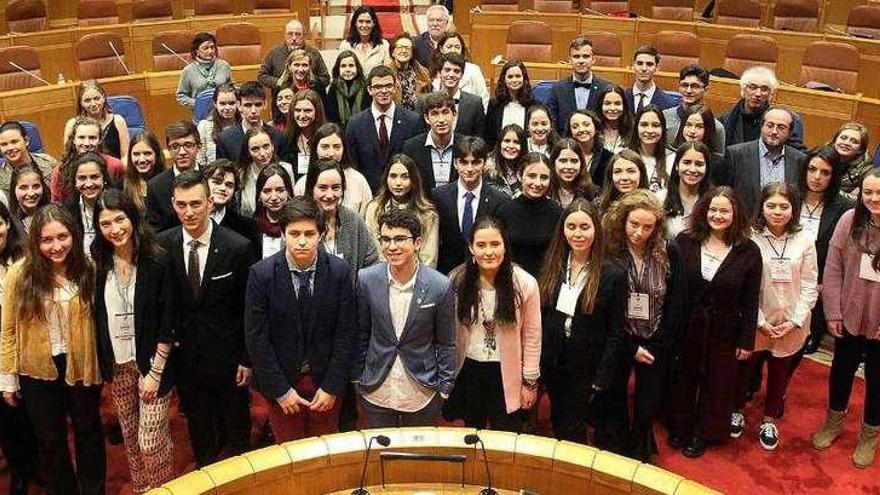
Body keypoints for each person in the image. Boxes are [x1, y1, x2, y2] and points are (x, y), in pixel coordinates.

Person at [0, 204, 105, 494]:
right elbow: (7, 329)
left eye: (63, 237)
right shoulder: (19, 274)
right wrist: (7, 377)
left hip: (81, 362)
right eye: (47, 240)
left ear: (74, 234)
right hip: (37, 370)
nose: (56, 246)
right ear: (35, 241)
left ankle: (94, 489)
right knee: (50, 439)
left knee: (88, 429)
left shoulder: (88, 267)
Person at [156, 170, 254, 468]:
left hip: (228, 357)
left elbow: (247, 309)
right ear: (173, 204)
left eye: (196, 204)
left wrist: (246, 359)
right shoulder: (162, 246)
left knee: (236, 426)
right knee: (199, 426)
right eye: (182, 204)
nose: (189, 212)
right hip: (186, 358)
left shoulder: (238, 247)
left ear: (210, 203)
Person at [245, 197, 357, 441]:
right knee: (290, 454)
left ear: (321, 234)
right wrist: (281, 391)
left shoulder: (339, 271)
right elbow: (257, 339)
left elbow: (346, 333)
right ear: (283, 234)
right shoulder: (261, 274)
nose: (302, 241)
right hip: (283, 381)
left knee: (323, 450)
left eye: (309, 233)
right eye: (294, 233)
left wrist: (331, 387)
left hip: (325, 380)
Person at [669, 186, 762, 458]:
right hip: (688, 323)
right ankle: (680, 425)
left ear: (736, 214)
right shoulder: (685, 240)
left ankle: (704, 432)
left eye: (724, 210)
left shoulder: (749, 250)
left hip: (726, 328)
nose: (717, 215)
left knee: (717, 382)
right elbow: (673, 286)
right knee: (684, 376)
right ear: (703, 211)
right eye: (713, 209)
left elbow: (751, 299)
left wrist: (747, 340)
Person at [92, 189, 176, 492]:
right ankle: (142, 488)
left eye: (119, 220)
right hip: (118, 365)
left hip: (152, 364)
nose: (114, 230)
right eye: (105, 224)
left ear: (132, 218)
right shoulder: (99, 263)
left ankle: (164, 489)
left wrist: (155, 373)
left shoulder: (156, 259)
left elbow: (169, 321)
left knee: (150, 441)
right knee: (130, 437)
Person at [731, 183, 817, 451]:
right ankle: (737, 410)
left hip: (792, 322)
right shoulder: (749, 236)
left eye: (784, 206)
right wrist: (758, 321)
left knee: (780, 373)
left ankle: (769, 419)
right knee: (744, 370)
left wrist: (795, 320)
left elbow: (810, 283)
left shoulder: (805, 238)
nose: (777, 212)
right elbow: (743, 285)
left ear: (794, 210)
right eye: (771, 206)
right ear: (761, 207)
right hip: (756, 320)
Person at [602, 190, 686, 461]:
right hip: (620, 340)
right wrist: (629, 347)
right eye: (634, 224)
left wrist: (659, 343)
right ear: (622, 220)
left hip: (656, 340)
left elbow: (677, 301)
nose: (639, 232)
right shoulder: (609, 250)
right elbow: (605, 308)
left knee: (646, 406)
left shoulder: (669, 249)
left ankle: (639, 452)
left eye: (647, 227)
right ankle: (616, 451)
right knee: (614, 400)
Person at [354, 208, 456, 427]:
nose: (392, 247)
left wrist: (445, 387)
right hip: (376, 387)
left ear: (417, 243)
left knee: (417, 457)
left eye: (400, 239)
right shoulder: (366, 279)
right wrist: (357, 376)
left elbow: (446, 342)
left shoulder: (440, 285)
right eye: (386, 239)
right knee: (380, 454)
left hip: (421, 389)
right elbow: (361, 332)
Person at [538, 199, 626, 448]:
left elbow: (616, 331)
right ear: (563, 230)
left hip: (587, 365)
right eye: (572, 226)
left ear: (596, 230)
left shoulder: (613, 273)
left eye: (585, 227)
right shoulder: (554, 265)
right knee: (558, 418)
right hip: (555, 360)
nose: (578, 234)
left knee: (573, 426)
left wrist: (602, 375)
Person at [441, 216, 540, 431]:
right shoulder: (457, 280)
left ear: (505, 246)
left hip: (506, 371)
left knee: (507, 438)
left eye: (495, 244)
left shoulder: (525, 283)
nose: (488, 252)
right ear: (471, 248)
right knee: (471, 434)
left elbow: (532, 337)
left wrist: (530, 382)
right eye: (481, 245)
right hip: (469, 367)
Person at [811, 169, 880, 468]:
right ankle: (834, 421)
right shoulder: (847, 220)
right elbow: (833, 267)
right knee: (841, 370)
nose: (874, 198)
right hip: (848, 315)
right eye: (869, 192)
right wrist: (833, 312)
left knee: (877, 379)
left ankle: (869, 434)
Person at [793, 146, 853, 356]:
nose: (817, 177)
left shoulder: (844, 207)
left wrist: (824, 285)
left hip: (819, 284)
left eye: (825, 172)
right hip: (783, 277)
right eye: (812, 169)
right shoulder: (789, 196)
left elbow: (843, 254)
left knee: (798, 347)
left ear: (834, 175)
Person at [0, 200, 37, 495]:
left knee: (33, 416)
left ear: (7, 224)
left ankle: (38, 467)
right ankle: (20, 471)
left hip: (27, 350)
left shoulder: (24, 259)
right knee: (6, 420)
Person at [432, 137, 508, 273]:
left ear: (484, 163)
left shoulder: (500, 200)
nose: (469, 168)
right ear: (455, 163)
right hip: (446, 273)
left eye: (476, 162)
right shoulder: (439, 196)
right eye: (463, 162)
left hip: (485, 273)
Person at [347, 65, 424, 192]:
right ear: (369, 90)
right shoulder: (355, 123)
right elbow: (353, 166)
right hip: (368, 195)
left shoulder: (413, 121)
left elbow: (417, 164)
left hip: (404, 195)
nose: (383, 91)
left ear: (395, 88)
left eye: (388, 86)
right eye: (377, 87)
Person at [720, 107, 806, 215]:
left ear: (789, 132)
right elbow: (724, 194)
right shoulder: (736, 155)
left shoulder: (800, 160)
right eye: (770, 125)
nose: (774, 131)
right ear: (761, 127)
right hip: (743, 226)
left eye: (781, 127)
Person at [305, 160, 378, 278]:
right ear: (311, 189)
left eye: (335, 188)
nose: (329, 195)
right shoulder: (299, 222)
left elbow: (371, 262)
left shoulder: (354, 221)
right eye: (323, 188)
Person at [364, 154, 439, 267]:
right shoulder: (374, 209)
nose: (398, 183)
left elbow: (429, 259)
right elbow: (373, 251)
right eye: (393, 176)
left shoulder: (427, 214)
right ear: (386, 179)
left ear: (413, 180)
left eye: (405, 177)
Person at [496, 152, 562, 277]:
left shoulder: (557, 213)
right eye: (532, 176)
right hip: (511, 281)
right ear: (519, 176)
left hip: (547, 284)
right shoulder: (504, 212)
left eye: (544, 177)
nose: (538, 183)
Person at [295, 123, 374, 214]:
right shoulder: (302, 184)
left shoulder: (358, 180)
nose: (331, 153)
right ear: (315, 149)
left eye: (337, 147)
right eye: (325, 147)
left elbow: (366, 218)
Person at [720, 66, 804, 151]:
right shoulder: (725, 120)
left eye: (764, 89)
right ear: (743, 90)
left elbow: (795, 155)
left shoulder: (786, 120)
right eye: (753, 87)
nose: (758, 94)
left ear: (771, 94)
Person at [258, 19, 331, 114]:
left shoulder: (313, 53)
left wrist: (310, 82)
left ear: (304, 35)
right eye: (290, 34)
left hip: (310, 106)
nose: (294, 38)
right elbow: (262, 75)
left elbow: (325, 78)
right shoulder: (274, 53)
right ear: (285, 35)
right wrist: (278, 82)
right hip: (282, 109)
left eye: (298, 34)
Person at [145, 120, 203, 233]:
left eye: (188, 145)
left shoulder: (210, 177)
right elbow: (154, 231)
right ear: (169, 150)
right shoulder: (156, 186)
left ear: (199, 147)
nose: (182, 152)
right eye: (175, 146)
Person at [403, 92, 468, 191]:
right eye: (435, 114)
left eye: (445, 112)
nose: (441, 120)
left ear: (454, 115)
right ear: (426, 118)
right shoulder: (411, 147)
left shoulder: (466, 145)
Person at [547, 36, 611, 135]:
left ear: (593, 59)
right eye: (576, 56)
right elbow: (552, 125)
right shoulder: (557, 90)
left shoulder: (605, 89)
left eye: (586, 56)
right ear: (570, 60)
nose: (581, 61)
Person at [54, 116, 124, 202]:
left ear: (100, 140)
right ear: (74, 140)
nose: (87, 143)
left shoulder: (115, 166)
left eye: (92, 138)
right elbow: (58, 206)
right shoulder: (60, 171)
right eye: (81, 137)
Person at [663, 64, 726, 156]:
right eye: (684, 85)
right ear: (679, 87)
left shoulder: (716, 127)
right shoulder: (664, 117)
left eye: (695, 86)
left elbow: (719, 161)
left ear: (706, 89)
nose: (688, 91)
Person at [216, 81, 288, 161]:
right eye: (248, 105)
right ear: (239, 106)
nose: (253, 111)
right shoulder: (225, 139)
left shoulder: (279, 137)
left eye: (258, 105)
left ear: (265, 104)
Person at [236, 126, 295, 219]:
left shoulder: (286, 169)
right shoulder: (241, 174)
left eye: (266, 146)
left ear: (272, 146)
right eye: (255, 149)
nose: (263, 154)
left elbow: (292, 203)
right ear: (248, 152)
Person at [64, 80, 129, 162]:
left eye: (96, 98)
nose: (93, 104)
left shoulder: (118, 121)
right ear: (81, 103)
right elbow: (68, 157)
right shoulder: (72, 124)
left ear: (103, 98)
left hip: (114, 170)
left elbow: (125, 156)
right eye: (87, 100)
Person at [664, 142, 713, 238]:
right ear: (676, 165)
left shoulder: (715, 200)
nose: (692, 169)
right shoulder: (660, 199)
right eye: (686, 162)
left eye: (699, 164)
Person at [203, 159, 258, 244]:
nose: (223, 188)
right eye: (217, 182)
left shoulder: (245, 227)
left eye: (229, 185)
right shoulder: (184, 218)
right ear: (204, 184)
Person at [430, 31, 490, 108]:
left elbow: (484, 99)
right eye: (449, 47)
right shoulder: (435, 69)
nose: (453, 50)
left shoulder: (473, 70)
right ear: (441, 49)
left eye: (457, 47)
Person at [432, 52, 485, 138]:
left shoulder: (475, 103)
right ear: (439, 73)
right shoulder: (425, 101)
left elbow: (478, 138)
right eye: (447, 70)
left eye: (456, 71)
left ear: (462, 75)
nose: (451, 75)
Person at [485, 60, 535, 149]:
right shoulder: (494, 105)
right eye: (510, 77)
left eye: (518, 76)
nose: (514, 80)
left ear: (524, 79)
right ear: (504, 79)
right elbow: (489, 137)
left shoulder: (533, 105)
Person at [64, 152, 108, 253]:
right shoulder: (67, 211)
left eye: (94, 177)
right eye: (82, 178)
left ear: (104, 178)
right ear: (75, 182)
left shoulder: (118, 205)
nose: (88, 184)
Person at [175, 32, 233, 109]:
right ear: (197, 51)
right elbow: (181, 96)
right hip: (201, 114)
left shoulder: (224, 65)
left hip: (224, 111)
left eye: (212, 47)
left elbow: (232, 88)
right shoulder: (188, 70)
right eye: (205, 48)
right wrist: (198, 103)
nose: (210, 51)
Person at [0, 120, 57, 196]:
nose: (10, 148)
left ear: (26, 141)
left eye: (14, 142)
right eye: (4, 144)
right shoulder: (1, 178)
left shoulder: (49, 163)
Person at [253, 165, 294, 259]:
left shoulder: (298, 224)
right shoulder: (251, 229)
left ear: (288, 192)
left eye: (280, 190)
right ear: (259, 195)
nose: (274, 197)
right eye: (267, 191)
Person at [628, 105, 670, 197]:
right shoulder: (624, 157)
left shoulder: (673, 158)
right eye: (644, 125)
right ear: (636, 127)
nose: (649, 130)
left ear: (663, 128)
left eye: (655, 125)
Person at [626, 45, 681, 114]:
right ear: (633, 66)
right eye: (640, 63)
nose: (644, 68)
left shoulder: (670, 104)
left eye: (649, 64)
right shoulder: (622, 98)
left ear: (657, 68)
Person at [283, 90, 326, 176]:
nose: (302, 116)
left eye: (307, 111)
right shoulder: (286, 139)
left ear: (317, 112)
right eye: (298, 110)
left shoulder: (325, 138)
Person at [338, 6, 390, 76]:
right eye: (361, 21)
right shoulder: (345, 45)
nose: (364, 25)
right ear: (355, 23)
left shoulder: (383, 45)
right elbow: (340, 72)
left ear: (374, 24)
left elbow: (387, 72)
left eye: (368, 22)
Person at [324, 50, 372, 128]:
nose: (347, 70)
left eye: (351, 65)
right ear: (338, 69)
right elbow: (331, 117)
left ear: (357, 67)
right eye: (343, 66)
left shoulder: (366, 87)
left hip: (363, 130)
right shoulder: (333, 88)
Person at [197, 83, 239, 166]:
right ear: (215, 104)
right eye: (222, 103)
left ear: (238, 103)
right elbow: (200, 161)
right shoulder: (204, 126)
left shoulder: (244, 124)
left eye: (231, 103)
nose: (227, 108)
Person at [829, 122, 874, 199]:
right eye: (843, 138)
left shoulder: (867, 169)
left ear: (860, 149)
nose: (846, 143)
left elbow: (857, 200)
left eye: (854, 141)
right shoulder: (820, 156)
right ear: (834, 141)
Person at [388, 33, 431, 112]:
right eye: (400, 47)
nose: (404, 51)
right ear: (393, 52)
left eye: (407, 48)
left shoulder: (423, 74)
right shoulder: (385, 74)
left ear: (412, 53)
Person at [569, 110, 612, 189]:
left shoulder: (609, 157)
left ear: (595, 127)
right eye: (575, 127)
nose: (581, 130)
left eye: (586, 125)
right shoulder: (565, 156)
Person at [549, 137, 597, 207]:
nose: (569, 166)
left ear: (581, 164)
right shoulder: (545, 190)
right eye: (563, 161)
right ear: (553, 163)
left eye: (574, 161)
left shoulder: (593, 193)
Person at [484, 124, 527, 198]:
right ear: (499, 144)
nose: (511, 146)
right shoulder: (485, 170)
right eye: (507, 141)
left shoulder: (529, 170)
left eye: (516, 142)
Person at [125, 131, 165, 211]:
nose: (142, 160)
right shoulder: (122, 185)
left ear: (156, 155)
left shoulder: (169, 181)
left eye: (147, 153)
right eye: (136, 154)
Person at [8, 164, 49, 236]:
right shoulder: (9, 223)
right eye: (23, 187)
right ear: (14, 190)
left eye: (36, 186)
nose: (31, 193)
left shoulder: (54, 215)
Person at [597, 86, 632, 154]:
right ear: (600, 106)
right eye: (607, 103)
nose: (612, 108)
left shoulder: (632, 130)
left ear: (624, 106)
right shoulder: (594, 130)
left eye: (617, 103)